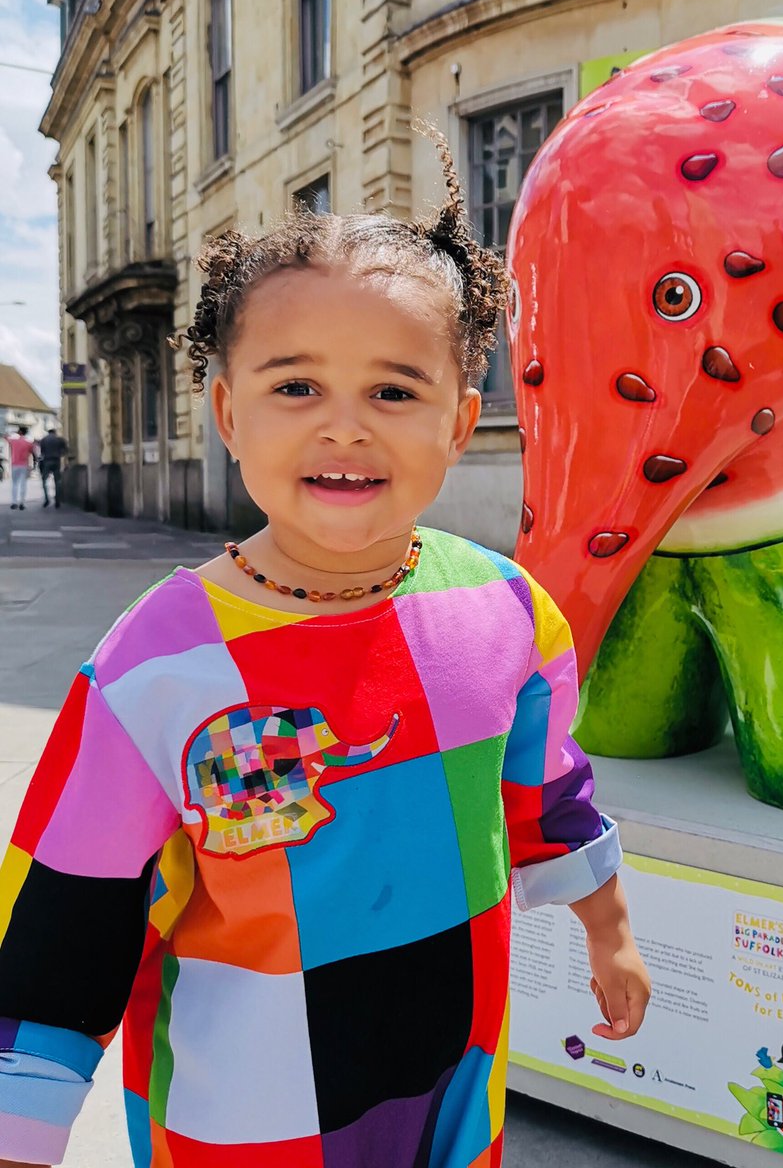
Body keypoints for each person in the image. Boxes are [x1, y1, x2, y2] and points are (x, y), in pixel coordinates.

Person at [0, 132, 651, 1168]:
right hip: (240, 1125)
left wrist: (607, 927)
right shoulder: (150, 668)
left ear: (460, 421)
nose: (345, 428)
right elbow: (59, 935)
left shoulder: (508, 609)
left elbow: (549, 791)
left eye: (394, 392)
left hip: (452, 1089)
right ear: (227, 413)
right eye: (295, 387)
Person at [35, 428, 69, 509]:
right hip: (56, 461)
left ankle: (47, 499)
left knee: (44, 481)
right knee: (57, 481)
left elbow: (42, 452)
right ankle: (57, 500)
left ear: (48, 433)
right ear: (55, 432)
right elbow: (66, 450)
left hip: (47, 461)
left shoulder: (44, 440)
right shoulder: (59, 439)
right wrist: (60, 454)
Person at [4, 425, 34, 510]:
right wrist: (34, 465)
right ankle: (22, 503)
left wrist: (12, 433)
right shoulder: (28, 443)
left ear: (19, 432)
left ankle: (14, 502)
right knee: (23, 484)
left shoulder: (13, 441)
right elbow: (33, 453)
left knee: (14, 484)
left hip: (14, 464)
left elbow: (5, 437)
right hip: (24, 465)